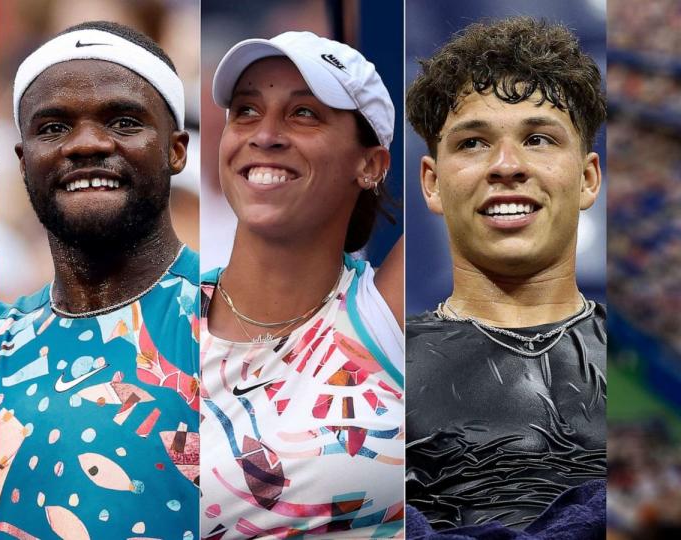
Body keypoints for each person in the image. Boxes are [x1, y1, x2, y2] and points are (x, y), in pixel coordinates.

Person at [0, 21, 199, 540]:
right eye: (54, 128)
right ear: (24, 162)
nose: (85, 144)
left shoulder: (236, 319)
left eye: (124, 121)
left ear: (176, 150)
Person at [404, 17, 606, 537]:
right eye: (473, 143)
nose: (507, 165)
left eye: (538, 138)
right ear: (431, 183)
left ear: (587, 179)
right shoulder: (376, 366)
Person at [200, 31, 405, 538]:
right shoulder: (154, 318)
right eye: (245, 111)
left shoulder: (388, 316)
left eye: (304, 114)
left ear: (371, 164)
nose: (264, 134)